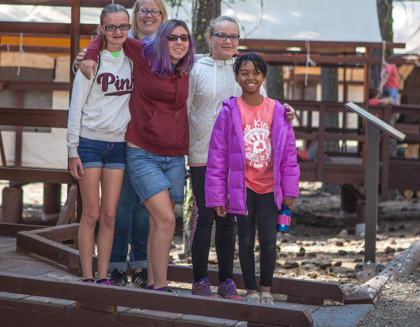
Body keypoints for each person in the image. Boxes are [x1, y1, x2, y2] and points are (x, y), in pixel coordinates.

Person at [80, 18, 194, 292]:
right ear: (162, 40)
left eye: (184, 38)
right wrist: (90, 55)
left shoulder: (190, 67)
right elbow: (109, 36)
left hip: (176, 155)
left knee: (160, 222)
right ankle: (162, 288)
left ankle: (154, 283)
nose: (179, 42)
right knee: (167, 219)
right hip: (142, 151)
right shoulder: (145, 54)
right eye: (172, 37)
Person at [187, 16, 296, 300]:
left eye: (233, 36)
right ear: (209, 37)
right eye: (221, 35)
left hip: (241, 163)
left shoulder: (247, 70)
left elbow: (269, 118)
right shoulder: (195, 67)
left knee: (229, 221)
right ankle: (199, 279)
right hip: (202, 154)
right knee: (204, 217)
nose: (227, 41)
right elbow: (185, 109)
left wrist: (288, 114)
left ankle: (227, 281)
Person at [205, 53, 300, 305]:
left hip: (270, 189)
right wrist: (217, 197)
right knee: (245, 240)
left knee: (269, 241)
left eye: (255, 73)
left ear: (263, 76)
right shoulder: (228, 112)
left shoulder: (278, 111)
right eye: (244, 73)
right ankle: (251, 290)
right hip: (242, 189)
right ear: (236, 77)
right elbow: (217, 157)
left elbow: (289, 155)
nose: (250, 78)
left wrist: (290, 192)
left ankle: (266, 289)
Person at [66, 4, 134, 284]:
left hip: (119, 145)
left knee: (109, 215)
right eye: (111, 27)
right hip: (90, 143)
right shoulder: (91, 62)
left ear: (129, 27)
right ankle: (86, 276)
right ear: (101, 29)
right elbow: (75, 107)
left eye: (123, 26)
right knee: (91, 213)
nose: (118, 32)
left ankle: (103, 275)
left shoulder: (134, 60)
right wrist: (72, 150)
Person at [106, 0, 166, 287]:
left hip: (153, 138)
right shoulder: (122, 45)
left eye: (155, 11)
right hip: (120, 134)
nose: (149, 15)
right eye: (143, 10)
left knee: (146, 208)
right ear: (134, 16)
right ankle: (116, 265)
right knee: (122, 204)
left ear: (163, 16)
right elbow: (102, 46)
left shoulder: (169, 49)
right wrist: (89, 53)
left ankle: (142, 266)